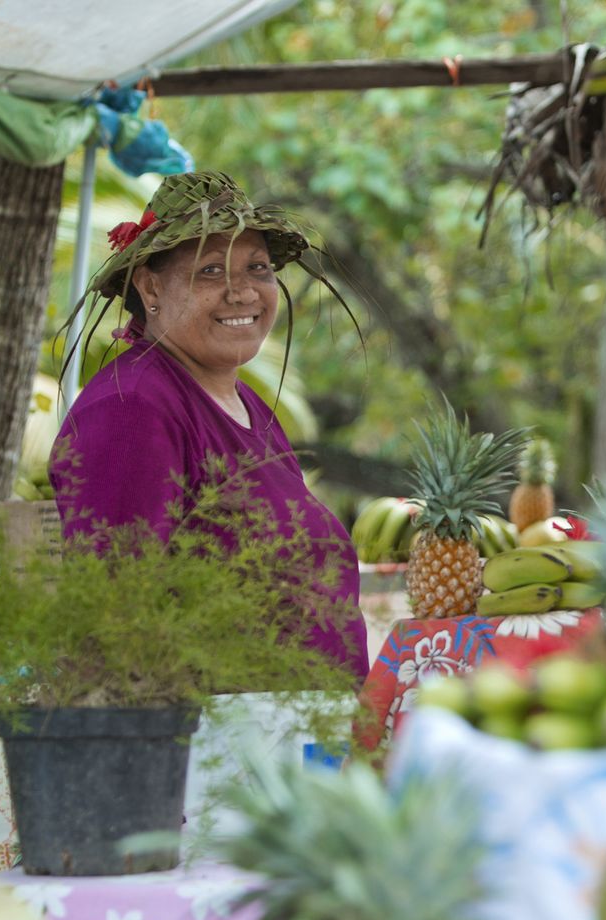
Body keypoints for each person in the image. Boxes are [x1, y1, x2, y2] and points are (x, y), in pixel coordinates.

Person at [50, 171, 369, 680]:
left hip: (286, 738)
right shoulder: (132, 408)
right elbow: (112, 618)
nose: (241, 292)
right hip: (211, 743)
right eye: (210, 271)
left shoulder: (246, 403)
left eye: (257, 268)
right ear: (150, 286)